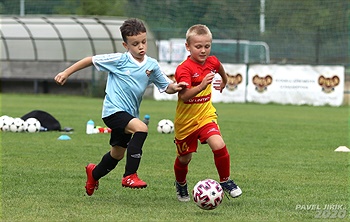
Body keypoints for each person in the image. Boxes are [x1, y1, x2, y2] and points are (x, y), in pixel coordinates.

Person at [54, 18, 187, 196]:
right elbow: (89, 60)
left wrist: (176, 87)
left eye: (144, 42)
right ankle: (129, 175)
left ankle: (93, 173)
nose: (141, 47)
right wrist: (66, 73)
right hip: (113, 111)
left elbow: (166, 86)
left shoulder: (151, 65)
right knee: (142, 128)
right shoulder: (119, 60)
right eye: (135, 44)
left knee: (116, 154)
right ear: (126, 45)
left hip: (128, 115)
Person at [173, 24, 242, 202]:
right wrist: (202, 85)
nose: (203, 50)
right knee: (184, 159)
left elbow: (219, 68)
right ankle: (180, 184)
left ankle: (225, 181)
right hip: (186, 122)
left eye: (207, 46)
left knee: (218, 144)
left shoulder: (212, 61)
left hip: (206, 116)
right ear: (188, 46)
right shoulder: (184, 69)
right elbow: (185, 96)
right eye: (198, 47)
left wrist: (224, 82)